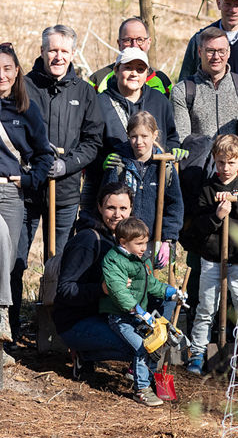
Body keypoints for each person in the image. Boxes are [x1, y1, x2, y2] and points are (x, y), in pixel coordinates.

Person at [0, 42, 55, 342]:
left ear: (17, 71)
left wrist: (27, 181)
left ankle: (2, 334)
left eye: (6, 69)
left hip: (11, 190)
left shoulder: (27, 110)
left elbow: (45, 156)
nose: (0, 75)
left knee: (12, 259)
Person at [23, 24, 104, 267]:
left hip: (65, 191)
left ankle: (52, 305)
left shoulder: (85, 92)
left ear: (73, 54)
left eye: (65, 52)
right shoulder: (24, 88)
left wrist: (66, 165)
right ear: (42, 51)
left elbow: (92, 141)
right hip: (26, 190)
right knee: (16, 258)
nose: (59, 57)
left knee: (59, 261)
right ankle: (9, 305)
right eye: (53, 50)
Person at [182, 135, 238, 374]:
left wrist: (235, 203)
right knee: (206, 308)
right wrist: (217, 216)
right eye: (221, 162)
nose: (225, 168)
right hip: (212, 258)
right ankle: (197, 353)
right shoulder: (207, 189)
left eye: (231, 163)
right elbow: (200, 225)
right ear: (214, 160)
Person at [53, 183, 136, 377]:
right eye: (110, 208)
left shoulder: (125, 241)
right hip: (76, 321)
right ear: (99, 207)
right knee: (133, 345)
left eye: (123, 208)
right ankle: (84, 353)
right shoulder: (88, 240)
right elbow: (65, 289)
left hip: (106, 315)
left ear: (131, 209)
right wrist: (102, 289)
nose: (117, 215)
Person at [99, 216, 180, 406]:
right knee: (143, 347)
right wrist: (138, 311)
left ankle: (148, 377)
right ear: (123, 242)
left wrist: (171, 292)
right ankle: (141, 390)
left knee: (156, 344)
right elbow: (119, 292)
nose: (145, 248)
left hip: (137, 315)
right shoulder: (113, 261)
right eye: (139, 243)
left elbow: (150, 284)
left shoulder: (140, 259)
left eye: (145, 243)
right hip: (121, 317)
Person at [103, 112, 182, 269]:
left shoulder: (165, 167)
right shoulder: (119, 164)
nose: (139, 142)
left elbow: (174, 205)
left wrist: (167, 240)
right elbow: (107, 201)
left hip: (152, 242)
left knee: (149, 287)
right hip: (121, 241)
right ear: (128, 135)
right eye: (134, 136)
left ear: (155, 135)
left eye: (144, 136)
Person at [172, 26, 238, 142]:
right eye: (210, 51)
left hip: (234, 159)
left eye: (221, 51)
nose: (216, 57)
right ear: (200, 52)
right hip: (198, 158)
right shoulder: (182, 91)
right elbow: (183, 138)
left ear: (229, 52)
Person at [97, 47, 179, 159]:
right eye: (128, 68)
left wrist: (174, 151)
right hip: (113, 174)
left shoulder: (159, 100)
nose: (134, 73)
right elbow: (91, 144)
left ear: (147, 74)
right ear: (116, 70)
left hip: (154, 173)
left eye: (140, 69)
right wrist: (103, 163)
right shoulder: (100, 103)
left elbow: (171, 137)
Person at [87, 17, 173, 96]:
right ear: (119, 43)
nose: (134, 45)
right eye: (127, 40)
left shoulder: (163, 80)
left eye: (140, 40)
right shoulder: (98, 80)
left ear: (149, 42)